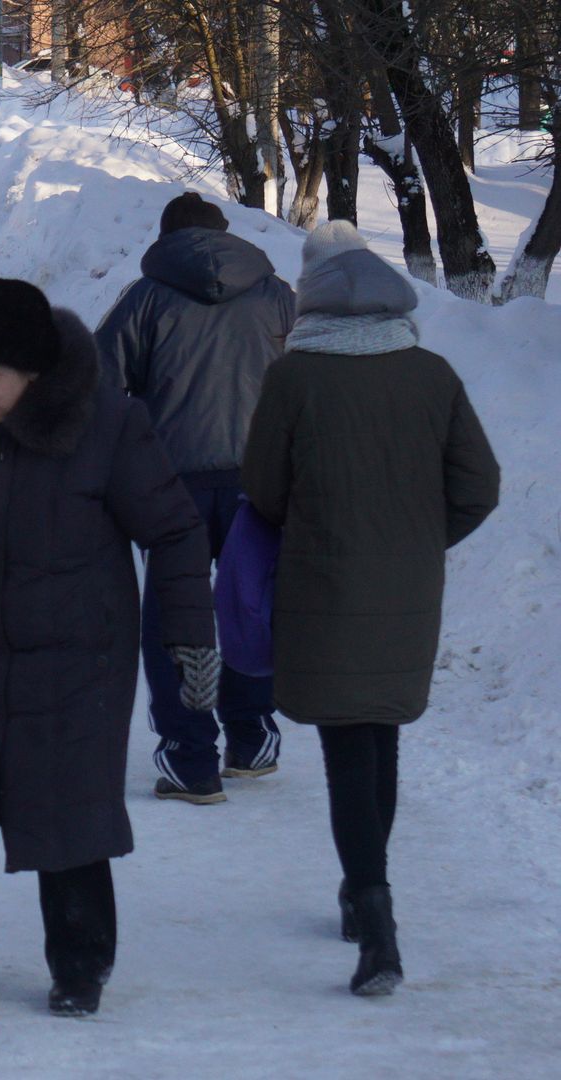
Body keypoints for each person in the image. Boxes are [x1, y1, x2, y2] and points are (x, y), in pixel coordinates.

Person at [0, 279, 217, 1016]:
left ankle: (79, 963)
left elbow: (172, 531)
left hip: (77, 663)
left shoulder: (108, 425)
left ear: (33, 370)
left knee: (67, 814)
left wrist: (189, 638)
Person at [240, 221, 499, 996]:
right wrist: (420, 539)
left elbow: (261, 488)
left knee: (347, 745)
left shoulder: (294, 378)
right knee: (376, 732)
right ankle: (363, 896)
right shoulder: (431, 375)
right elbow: (477, 486)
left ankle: (374, 919)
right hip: (407, 584)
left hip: (321, 579)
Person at [94, 191, 296, 805]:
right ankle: (251, 733)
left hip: (171, 483)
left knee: (172, 616)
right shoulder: (278, 296)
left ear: (166, 239)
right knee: (248, 604)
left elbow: (100, 388)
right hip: (257, 480)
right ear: (224, 234)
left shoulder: (145, 299)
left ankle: (190, 758)